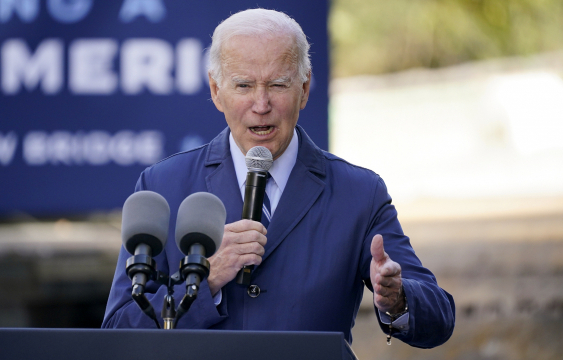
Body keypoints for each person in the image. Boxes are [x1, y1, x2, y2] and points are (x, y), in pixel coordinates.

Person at [102, 8, 455, 348]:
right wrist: (205, 280)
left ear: (304, 89)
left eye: (277, 84)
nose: (261, 103)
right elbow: (118, 331)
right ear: (215, 90)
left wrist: (398, 299)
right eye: (243, 85)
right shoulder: (164, 185)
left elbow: (438, 320)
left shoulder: (359, 193)